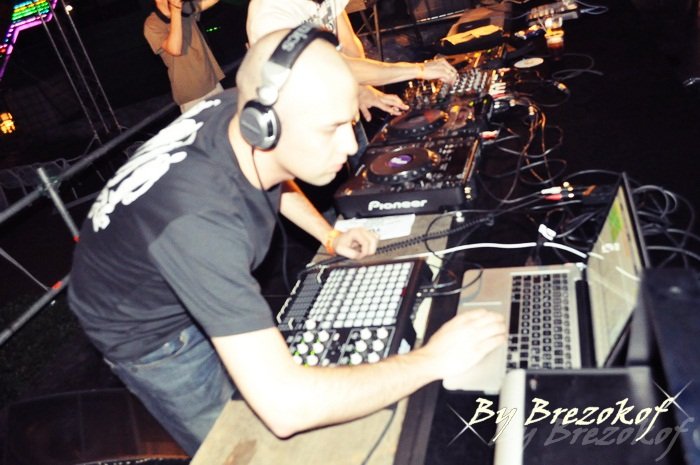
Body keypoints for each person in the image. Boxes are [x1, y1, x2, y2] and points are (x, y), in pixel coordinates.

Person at [67, 26, 505, 456]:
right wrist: (433, 359)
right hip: (145, 328)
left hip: (172, 249)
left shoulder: (240, 113)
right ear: (265, 128)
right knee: (236, 442)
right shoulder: (198, 224)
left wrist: (329, 235)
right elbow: (286, 407)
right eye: (330, 128)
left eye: (349, 123)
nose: (349, 145)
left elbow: (272, 171)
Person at [246, 0, 460, 121]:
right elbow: (326, 66)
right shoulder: (271, 11)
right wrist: (418, 70)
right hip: (300, 119)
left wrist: (362, 87)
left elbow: (349, 46)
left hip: (337, 101)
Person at [144, 0, 225, 113]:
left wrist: (177, 8)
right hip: (191, 94)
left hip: (213, 83)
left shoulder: (185, 8)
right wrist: (176, 10)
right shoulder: (152, 23)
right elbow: (175, 49)